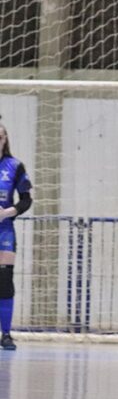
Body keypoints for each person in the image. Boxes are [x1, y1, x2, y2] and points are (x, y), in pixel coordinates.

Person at [0, 117, 33, 351]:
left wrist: (7, 213)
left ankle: (6, 334)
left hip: (4, 229)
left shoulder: (15, 166)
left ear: (5, 140)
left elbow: (26, 199)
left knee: (4, 281)